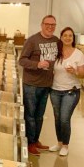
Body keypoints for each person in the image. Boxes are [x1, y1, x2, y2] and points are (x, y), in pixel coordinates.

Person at [18, 15, 59, 156]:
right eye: (47, 24)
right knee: (30, 115)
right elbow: (22, 60)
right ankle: (29, 143)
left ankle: (36, 140)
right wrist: (37, 64)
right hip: (31, 84)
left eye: (53, 25)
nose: (50, 27)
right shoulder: (32, 40)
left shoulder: (56, 41)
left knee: (40, 116)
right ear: (42, 25)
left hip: (46, 84)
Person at [48, 27, 84, 156]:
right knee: (57, 118)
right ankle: (59, 143)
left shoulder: (78, 54)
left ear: (73, 38)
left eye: (70, 36)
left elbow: (82, 75)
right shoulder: (56, 53)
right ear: (61, 37)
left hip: (71, 91)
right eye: (65, 35)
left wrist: (75, 71)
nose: (68, 38)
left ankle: (65, 145)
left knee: (64, 118)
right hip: (55, 90)